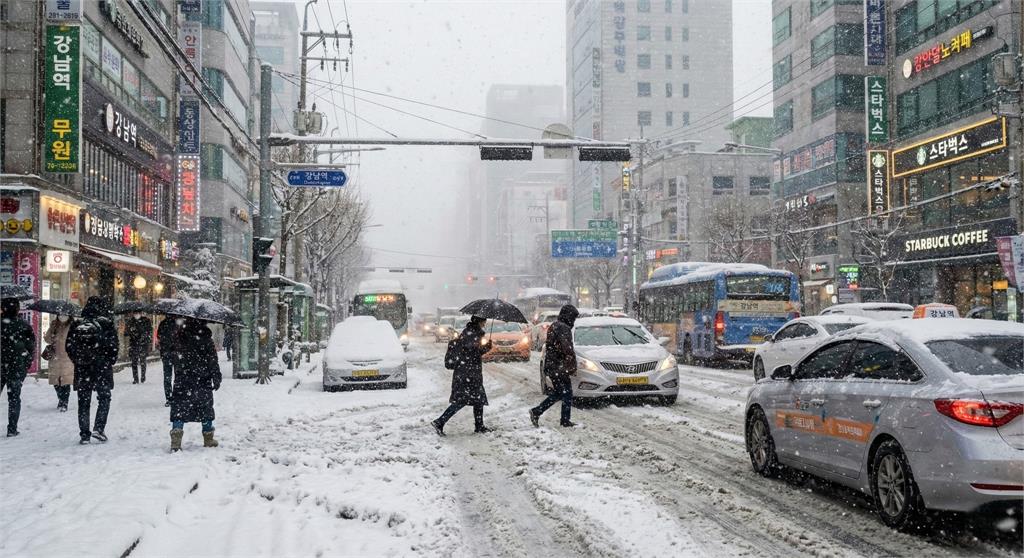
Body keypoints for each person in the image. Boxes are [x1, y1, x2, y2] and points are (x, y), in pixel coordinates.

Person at [65, 296, 119, 444]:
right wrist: (108, 360)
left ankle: (84, 434)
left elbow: (68, 346)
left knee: (83, 401)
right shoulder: (106, 324)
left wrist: (78, 360)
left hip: (83, 368)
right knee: (104, 397)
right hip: (102, 367)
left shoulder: (77, 324)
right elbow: (114, 347)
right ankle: (99, 428)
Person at [431, 315, 493, 436]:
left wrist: (485, 348)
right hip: (468, 373)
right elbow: (471, 352)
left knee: (478, 400)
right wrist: (484, 348)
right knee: (462, 401)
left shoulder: (471, 332)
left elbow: (471, 351)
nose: (485, 323)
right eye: (484, 321)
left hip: (468, 371)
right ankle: (439, 421)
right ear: (479, 321)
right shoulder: (472, 333)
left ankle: (479, 426)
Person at [169, 317, 221, 452]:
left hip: (183, 379)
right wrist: (216, 376)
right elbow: (212, 360)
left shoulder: (180, 336)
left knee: (179, 409)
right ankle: (208, 438)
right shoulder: (206, 339)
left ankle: (176, 439)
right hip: (202, 379)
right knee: (205, 409)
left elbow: (172, 355)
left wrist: (180, 366)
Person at [529, 304, 580, 428]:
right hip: (559, 366)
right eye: (573, 317)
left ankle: (537, 411)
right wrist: (571, 365)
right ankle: (564, 420)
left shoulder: (554, 325)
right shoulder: (564, 328)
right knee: (567, 393)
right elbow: (567, 349)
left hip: (552, 365)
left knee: (559, 393)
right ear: (569, 316)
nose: (573, 320)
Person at [1, 297, 35, 437]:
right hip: (16, 366)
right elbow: (31, 346)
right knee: (14, 397)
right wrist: (25, 363)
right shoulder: (23, 325)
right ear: (17, 309)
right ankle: (12, 428)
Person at [44, 314, 75, 412]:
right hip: (55, 357)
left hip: (68, 357)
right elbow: (47, 339)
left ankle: (64, 402)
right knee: (56, 382)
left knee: (66, 382)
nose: (63, 317)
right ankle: (61, 399)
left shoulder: (73, 326)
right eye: (61, 315)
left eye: (65, 315)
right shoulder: (54, 325)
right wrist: (52, 330)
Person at [156, 315, 178, 407]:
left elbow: (159, 337)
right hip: (177, 354)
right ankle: (177, 397)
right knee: (178, 376)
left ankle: (169, 398)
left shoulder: (163, 324)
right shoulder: (179, 323)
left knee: (167, 377)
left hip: (167, 354)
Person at [125, 312, 153, 384]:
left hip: (143, 344)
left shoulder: (146, 321)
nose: (136, 315)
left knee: (143, 361)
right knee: (134, 362)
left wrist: (144, 337)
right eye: (135, 313)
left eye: (138, 313)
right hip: (134, 344)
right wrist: (131, 331)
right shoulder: (130, 322)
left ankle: (143, 376)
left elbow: (149, 332)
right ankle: (135, 378)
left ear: (140, 313)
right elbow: (126, 333)